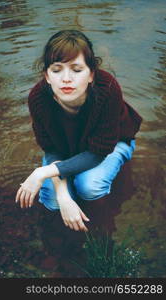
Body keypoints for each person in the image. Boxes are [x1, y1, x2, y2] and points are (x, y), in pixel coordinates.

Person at [15, 30, 142, 233]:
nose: (66, 79)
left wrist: (42, 172)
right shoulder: (38, 98)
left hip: (112, 143)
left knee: (89, 185)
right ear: (47, 76)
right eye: (57, 70)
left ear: (91, 74)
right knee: (52, 200)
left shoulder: (107, 88)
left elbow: (98, 151)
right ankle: (63, 242)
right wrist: (63, 195)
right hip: (67, 150)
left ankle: (101, 232)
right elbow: (53, 151)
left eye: (76, 69)